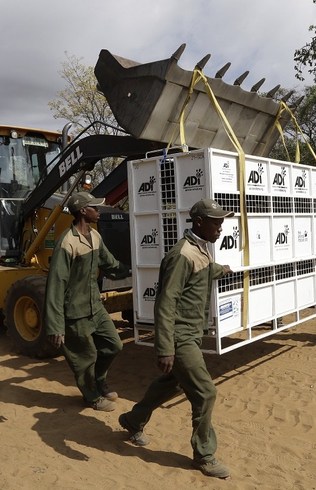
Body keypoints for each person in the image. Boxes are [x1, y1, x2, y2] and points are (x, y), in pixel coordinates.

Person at [118, 198, 234, 480]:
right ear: (199, 222)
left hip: (192, 334)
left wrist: (223, 270)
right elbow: (165, 303)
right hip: (180, 337)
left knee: (172, 384)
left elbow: (202, 275)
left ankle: (133, 420)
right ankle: (204, 455)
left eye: (222, 220)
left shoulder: (200, 249)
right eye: (216, 221)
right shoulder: (181, 254)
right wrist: (165, 348)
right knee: (206, 392)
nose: (221, 226)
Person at [45, 191, 131, 412]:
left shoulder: (95, 236)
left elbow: (109, 263)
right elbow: (55, 286)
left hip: (95, 306)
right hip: (75, 312)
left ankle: (99, 380)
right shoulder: (67, 243)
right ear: (83, 210)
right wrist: (55, 326)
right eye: (95, 207)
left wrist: (132, 272)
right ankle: (92, 397)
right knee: (84, 358)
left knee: (114, 345)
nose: (99, 211)